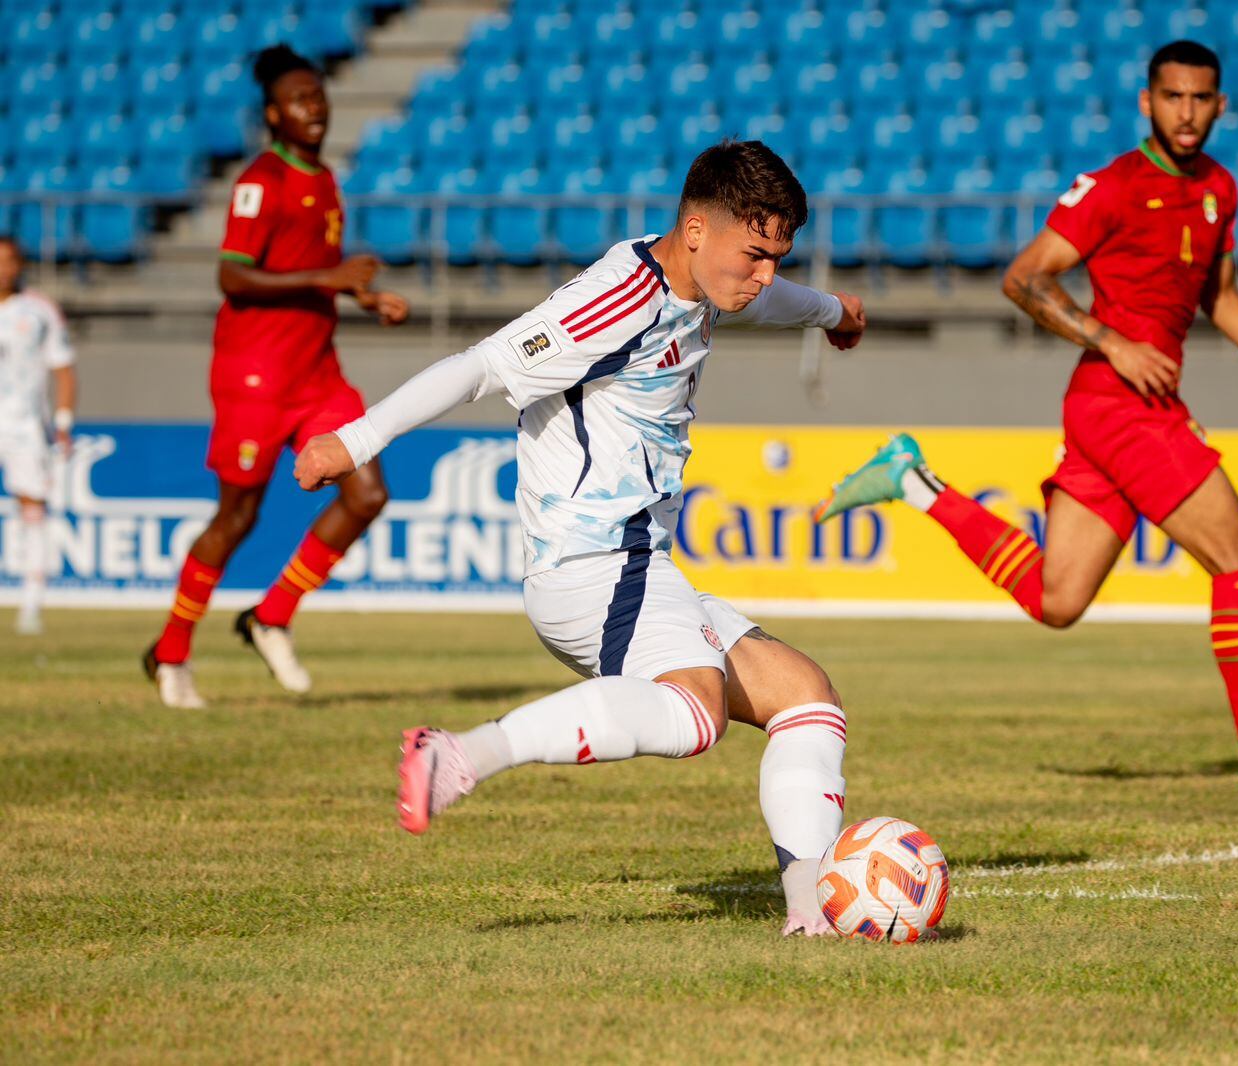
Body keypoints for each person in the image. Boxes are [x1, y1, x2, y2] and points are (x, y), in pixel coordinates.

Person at [294, 140, 868, 936]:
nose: (765, 273)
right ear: (697, 229)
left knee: (805, 697)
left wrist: (835, 313)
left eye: (778, 258)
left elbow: (774, 301)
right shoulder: (615, 300)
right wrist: (355, 441)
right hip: (590, 566)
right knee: (695, 715)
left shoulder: (706, 285)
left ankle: (811, 916)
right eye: (756, 254)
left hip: (638, 566)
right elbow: (478, 367)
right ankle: (460, 756)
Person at [814, 40, 1238, 800]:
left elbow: (1222, 299)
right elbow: (1024, 278)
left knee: (1058, 599)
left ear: (1220, 105)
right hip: (1122, 403)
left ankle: (914, 484)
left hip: (1120, 409)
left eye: (1200, 99)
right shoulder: (1113, 187)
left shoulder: (1218, 190)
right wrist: (1113, 339)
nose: (1186, 112)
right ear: (1147, 101)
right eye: (1172, 97)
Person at [144, 45, 409, 708]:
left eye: (318, 97)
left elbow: (308, 264)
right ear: (272, 114)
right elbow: (232, 275)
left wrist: (365, 297)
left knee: (368, 493)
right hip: (255, 373)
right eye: (299, 100)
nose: (314, 108)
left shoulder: (322, 178)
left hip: (317, 371)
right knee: (238, 516)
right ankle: (171, 652)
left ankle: (270, 615)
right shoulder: (261, 180)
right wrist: (329, 278)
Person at [0, 236, 77, 636]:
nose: (2, 269)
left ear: (20, 264)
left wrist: (62, 422)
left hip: (23, 423)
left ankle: (31, 602)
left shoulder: (39, 310)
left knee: (32, 505)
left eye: (8, 261)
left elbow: (62, 368)